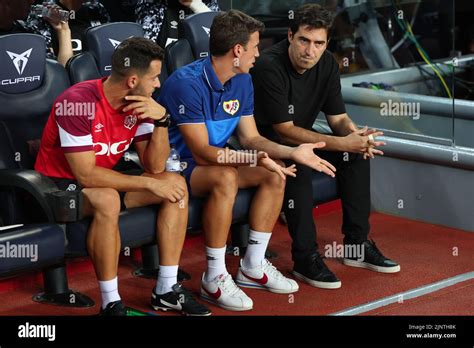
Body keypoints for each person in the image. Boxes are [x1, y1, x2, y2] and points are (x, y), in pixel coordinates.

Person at [158, 10, 337, 311]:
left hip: (214, 161)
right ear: (237, 50)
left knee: (275, 173)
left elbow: (251, 138)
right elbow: (202, 152)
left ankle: (253, 266)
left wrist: (291, 152)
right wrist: (252, 157)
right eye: (255, 46)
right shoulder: (185, 83)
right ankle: (213, 277)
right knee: (226, 176)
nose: (259, 53)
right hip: (176, 166)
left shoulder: (242, 80)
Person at [35, 37, 211, 316]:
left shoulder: (139, 103)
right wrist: (149, 183)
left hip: (105, 177)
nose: (158, 84)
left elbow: (154, 166)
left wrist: (162, 119)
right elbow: (85, 174)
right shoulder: (76, 102)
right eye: (153, 78)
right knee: (107, 199)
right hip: (58, 187)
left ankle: (166, 289)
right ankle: (111, 303)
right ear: (132, 80)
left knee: (175, 183)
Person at [251, 4, 400, 290]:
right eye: (304, 41)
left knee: (355, 156)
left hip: (305, 139)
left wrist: (356, 137)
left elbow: (339, 119)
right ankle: (304, 258)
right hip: (270, 146)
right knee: (302, 164)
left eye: (319, 43)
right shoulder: (269, 65)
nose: (310, 51)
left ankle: (357, 246)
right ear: (290, 35)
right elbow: (284, 129)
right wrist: (343, 141)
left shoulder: (328, 63)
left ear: (327, 43)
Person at [26, 0, 111, 66]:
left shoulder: (95, 8)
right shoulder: (44, 13)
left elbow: (108, 57)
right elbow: (61, 73)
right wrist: (63, 31)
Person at [135, 0, 219, 48]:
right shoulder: (151, 5)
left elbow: (222, 37)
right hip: (165, 70)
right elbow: (145, 50)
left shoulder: (208, 2)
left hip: (201, 67)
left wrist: (195, 4)